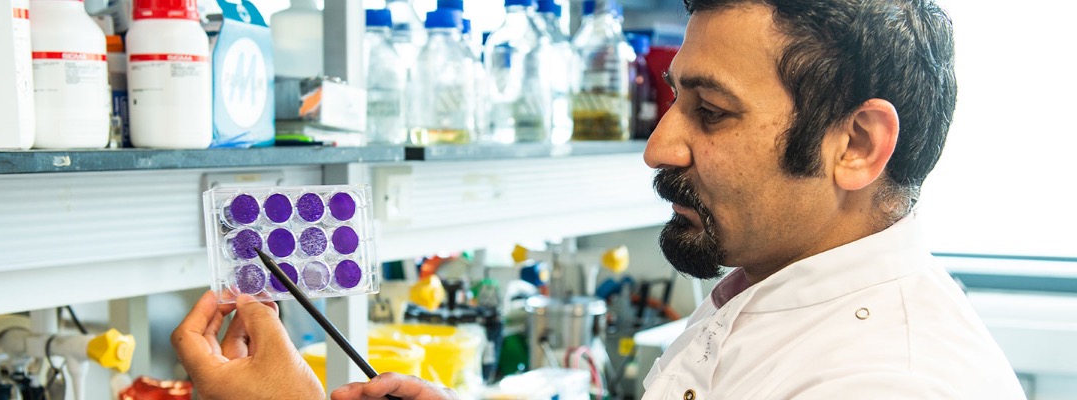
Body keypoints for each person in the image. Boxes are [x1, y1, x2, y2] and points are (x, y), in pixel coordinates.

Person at [172, 0, 1027, 398]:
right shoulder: (770, 290)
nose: (660, 145)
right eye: (670, 101)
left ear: (857, 146)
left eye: (711, 112)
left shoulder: (891, 382)